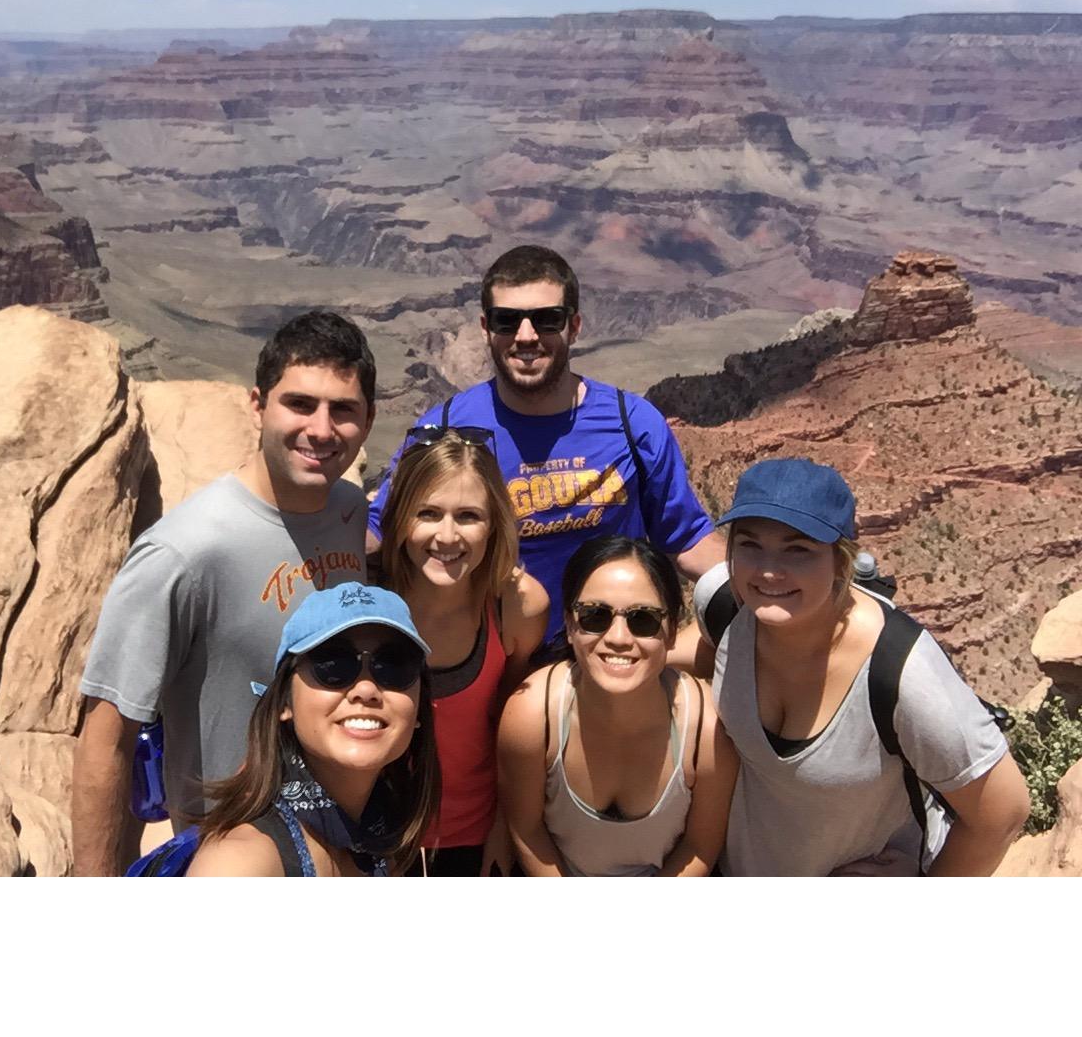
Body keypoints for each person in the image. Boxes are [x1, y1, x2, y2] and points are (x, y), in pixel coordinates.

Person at [72, 311, 376, 876]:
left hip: (341, 837)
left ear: (369, 420)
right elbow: (106, 736)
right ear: (258, 406)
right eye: (300, 404)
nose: (321, 429)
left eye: (344, 410)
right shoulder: (183, 552)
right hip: (232, 853)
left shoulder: (349, 512)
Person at [367, 244, 724, 641]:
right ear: (486, 328)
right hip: (486, 658)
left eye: (546, 320)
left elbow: (687, 539)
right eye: (507, 321)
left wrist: (768, 590)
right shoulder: (446, 430)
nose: (525, 336)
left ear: (574, 326)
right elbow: (381, 531)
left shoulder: (632, 424)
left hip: (601, 651)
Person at [696, 457, 1030, 876]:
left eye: (797, 550)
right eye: (749, 544)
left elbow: (1003, 813)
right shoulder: (724, 605)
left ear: (841, 560)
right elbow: (705, 653)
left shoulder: (901, 672)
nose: (768, 571)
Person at [497, 536, 737, 876]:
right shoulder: (533, 716)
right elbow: (526, 830)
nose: (619, 638)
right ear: (569, 625)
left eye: (643, 619)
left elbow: (699, 847)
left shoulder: (707, 734)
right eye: (595, 616)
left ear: (671, 632)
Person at [376, 428, 548, 875]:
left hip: (477, 837)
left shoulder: (518, 605)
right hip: (376, 837)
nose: (447, 536)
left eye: (469, 515)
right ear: (399, 519)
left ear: (495, 523)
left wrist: (502, 822)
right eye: (428, 513)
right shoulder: (367, 599)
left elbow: (510, 728)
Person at [183, 583, 440, 876]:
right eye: (333, 665)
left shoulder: (389, 840)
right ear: (284, 702)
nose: (366, 689)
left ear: (419, 708)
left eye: (394, 666)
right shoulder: (240, 864)